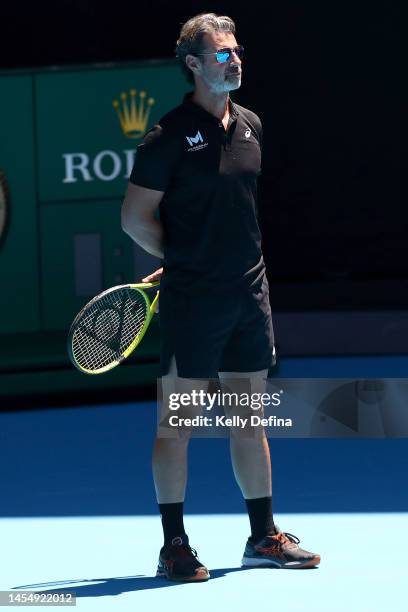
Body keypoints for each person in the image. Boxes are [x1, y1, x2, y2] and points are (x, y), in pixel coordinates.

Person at [121, 12, 320, 581]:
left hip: (248, 293)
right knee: (176, 424)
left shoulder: (250, 125)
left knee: (247, 417)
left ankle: (262, 536)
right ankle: (174, 546)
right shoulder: (166, 137)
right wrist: (181, 260)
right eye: (222, 54)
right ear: (194, 65)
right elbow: (134, 218)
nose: (234, 60)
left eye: (236, 50)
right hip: (195, 299)